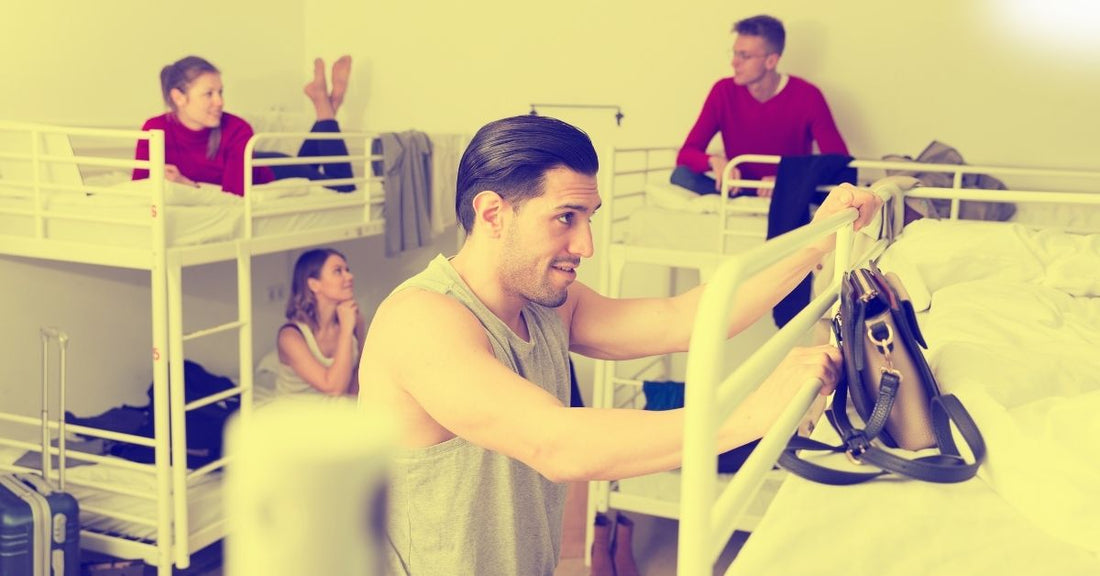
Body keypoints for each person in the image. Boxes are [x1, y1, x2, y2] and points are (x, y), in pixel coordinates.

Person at [357, 115, 881, 575]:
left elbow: (686, 317)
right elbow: (557, 444)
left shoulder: (546, 303)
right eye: (566, 217)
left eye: (589, 218)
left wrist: (816, 241)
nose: (585, 245)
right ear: (493, 214)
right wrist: (746, 417)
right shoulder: (421, 320)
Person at [672, 15, 849, 197]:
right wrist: (713, 161)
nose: (734, 62)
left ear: (771, 61)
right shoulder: (722, 91)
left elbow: (838, 161)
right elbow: (686, 154)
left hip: (785, 193)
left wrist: (786, 179)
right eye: (734, 53)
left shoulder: (808, 96)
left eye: (744, 56)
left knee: (836, 188)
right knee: (681, 176)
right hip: (737, 190)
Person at [133, 55, 355, 196]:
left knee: (345, 189)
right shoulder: (155, 130)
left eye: (220, 92)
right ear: (179, 97)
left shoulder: (237, 128)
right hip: (253, 160)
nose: (219, 101)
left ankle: (323, 106)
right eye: (208, 94)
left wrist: (184, 184)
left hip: (273, 169)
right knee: (312, 164)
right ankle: (329, 105)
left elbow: (234, 196)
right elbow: (139, 188)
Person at [275, 248, 364, 398]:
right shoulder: (289, 336)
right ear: (314, 285)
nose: (349, 276)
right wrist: (346, 329)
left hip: (337, 413)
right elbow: (333, 388)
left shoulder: (355, 318)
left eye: (347, 270)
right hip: (296, 416)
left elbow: (359, 374)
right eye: (338, 271)